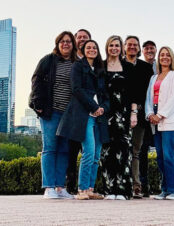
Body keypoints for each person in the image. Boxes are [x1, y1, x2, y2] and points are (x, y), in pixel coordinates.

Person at [57, 40, 109, 200]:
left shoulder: (101, 70)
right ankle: (82, 189)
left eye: (94, 47)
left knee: (96, 155)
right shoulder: (78, 66)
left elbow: (106, 94)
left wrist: (103, 108)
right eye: (89, 47)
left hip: (99, 116)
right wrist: (93, 106)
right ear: (83, 50)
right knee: (89, 151)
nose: (92, 50)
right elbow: (76, 89)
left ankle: (90, 188)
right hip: (84, 115)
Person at [29, 31, 77, 199]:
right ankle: (48, 187)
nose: (66, 44)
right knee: (50, 148)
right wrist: (38, 103)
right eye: (62, 41)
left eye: (69, 41)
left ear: (73, 44)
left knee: (64, 150)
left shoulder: (76, 63)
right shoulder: (48, 60)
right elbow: (36, 80)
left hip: (68, 114)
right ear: (57, 44)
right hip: (51, 112)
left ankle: (60, 187)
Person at [100, 35, 136, 200]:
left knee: (123, 151)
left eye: (117, 45)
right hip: (105, 114)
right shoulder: (100, 66)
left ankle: (122, 190)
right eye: (111, 45)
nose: (114, 48)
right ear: (107, 47)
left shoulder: (128, 67)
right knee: (106, 152)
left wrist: (134, 113)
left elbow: (134, 93)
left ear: (121, 48)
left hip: (124, 114)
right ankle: (109, 190)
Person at [145, 46, 174, 200]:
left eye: (168, 55)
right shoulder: (154, 77)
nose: (165, 57)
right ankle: (165, 189)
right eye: (162, 55)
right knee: (160, 155)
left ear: (172, 58)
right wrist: (150, 114)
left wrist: (160, 114)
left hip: (169, 119)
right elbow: (148, 97)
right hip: (154, 118)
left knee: (169, 154)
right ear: (158, 58)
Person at [124, 36, 154, 198]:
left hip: (140, 115)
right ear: (124, 47)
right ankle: (121, 184)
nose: (132, 47)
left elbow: (148, 93)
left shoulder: (145, 68)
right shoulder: (118, 65)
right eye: (129, 45)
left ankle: (136, 186)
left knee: (136, 151)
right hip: (121, 114)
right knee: (121, 150)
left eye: (135, 45)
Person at [66, 28, 92, 194]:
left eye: (86, 37)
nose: (82, 39)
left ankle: (88, 186)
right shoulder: (69, 59)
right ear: (75, 40)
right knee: (71, 151)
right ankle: (70, 187)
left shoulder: (94, 61)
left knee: (90, 152)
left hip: (90, 113)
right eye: (80, 37)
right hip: (72, 112)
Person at [140, 40, 157, 197]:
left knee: (163, 149)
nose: (149, 50)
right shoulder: (139, 66)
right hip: (143, 114)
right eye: (147, 48)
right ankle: (143, 184)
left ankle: (165, 184)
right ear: (142, 51)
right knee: (142, 149)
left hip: (161, 114)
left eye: (152, 48)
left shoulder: (161, 66)